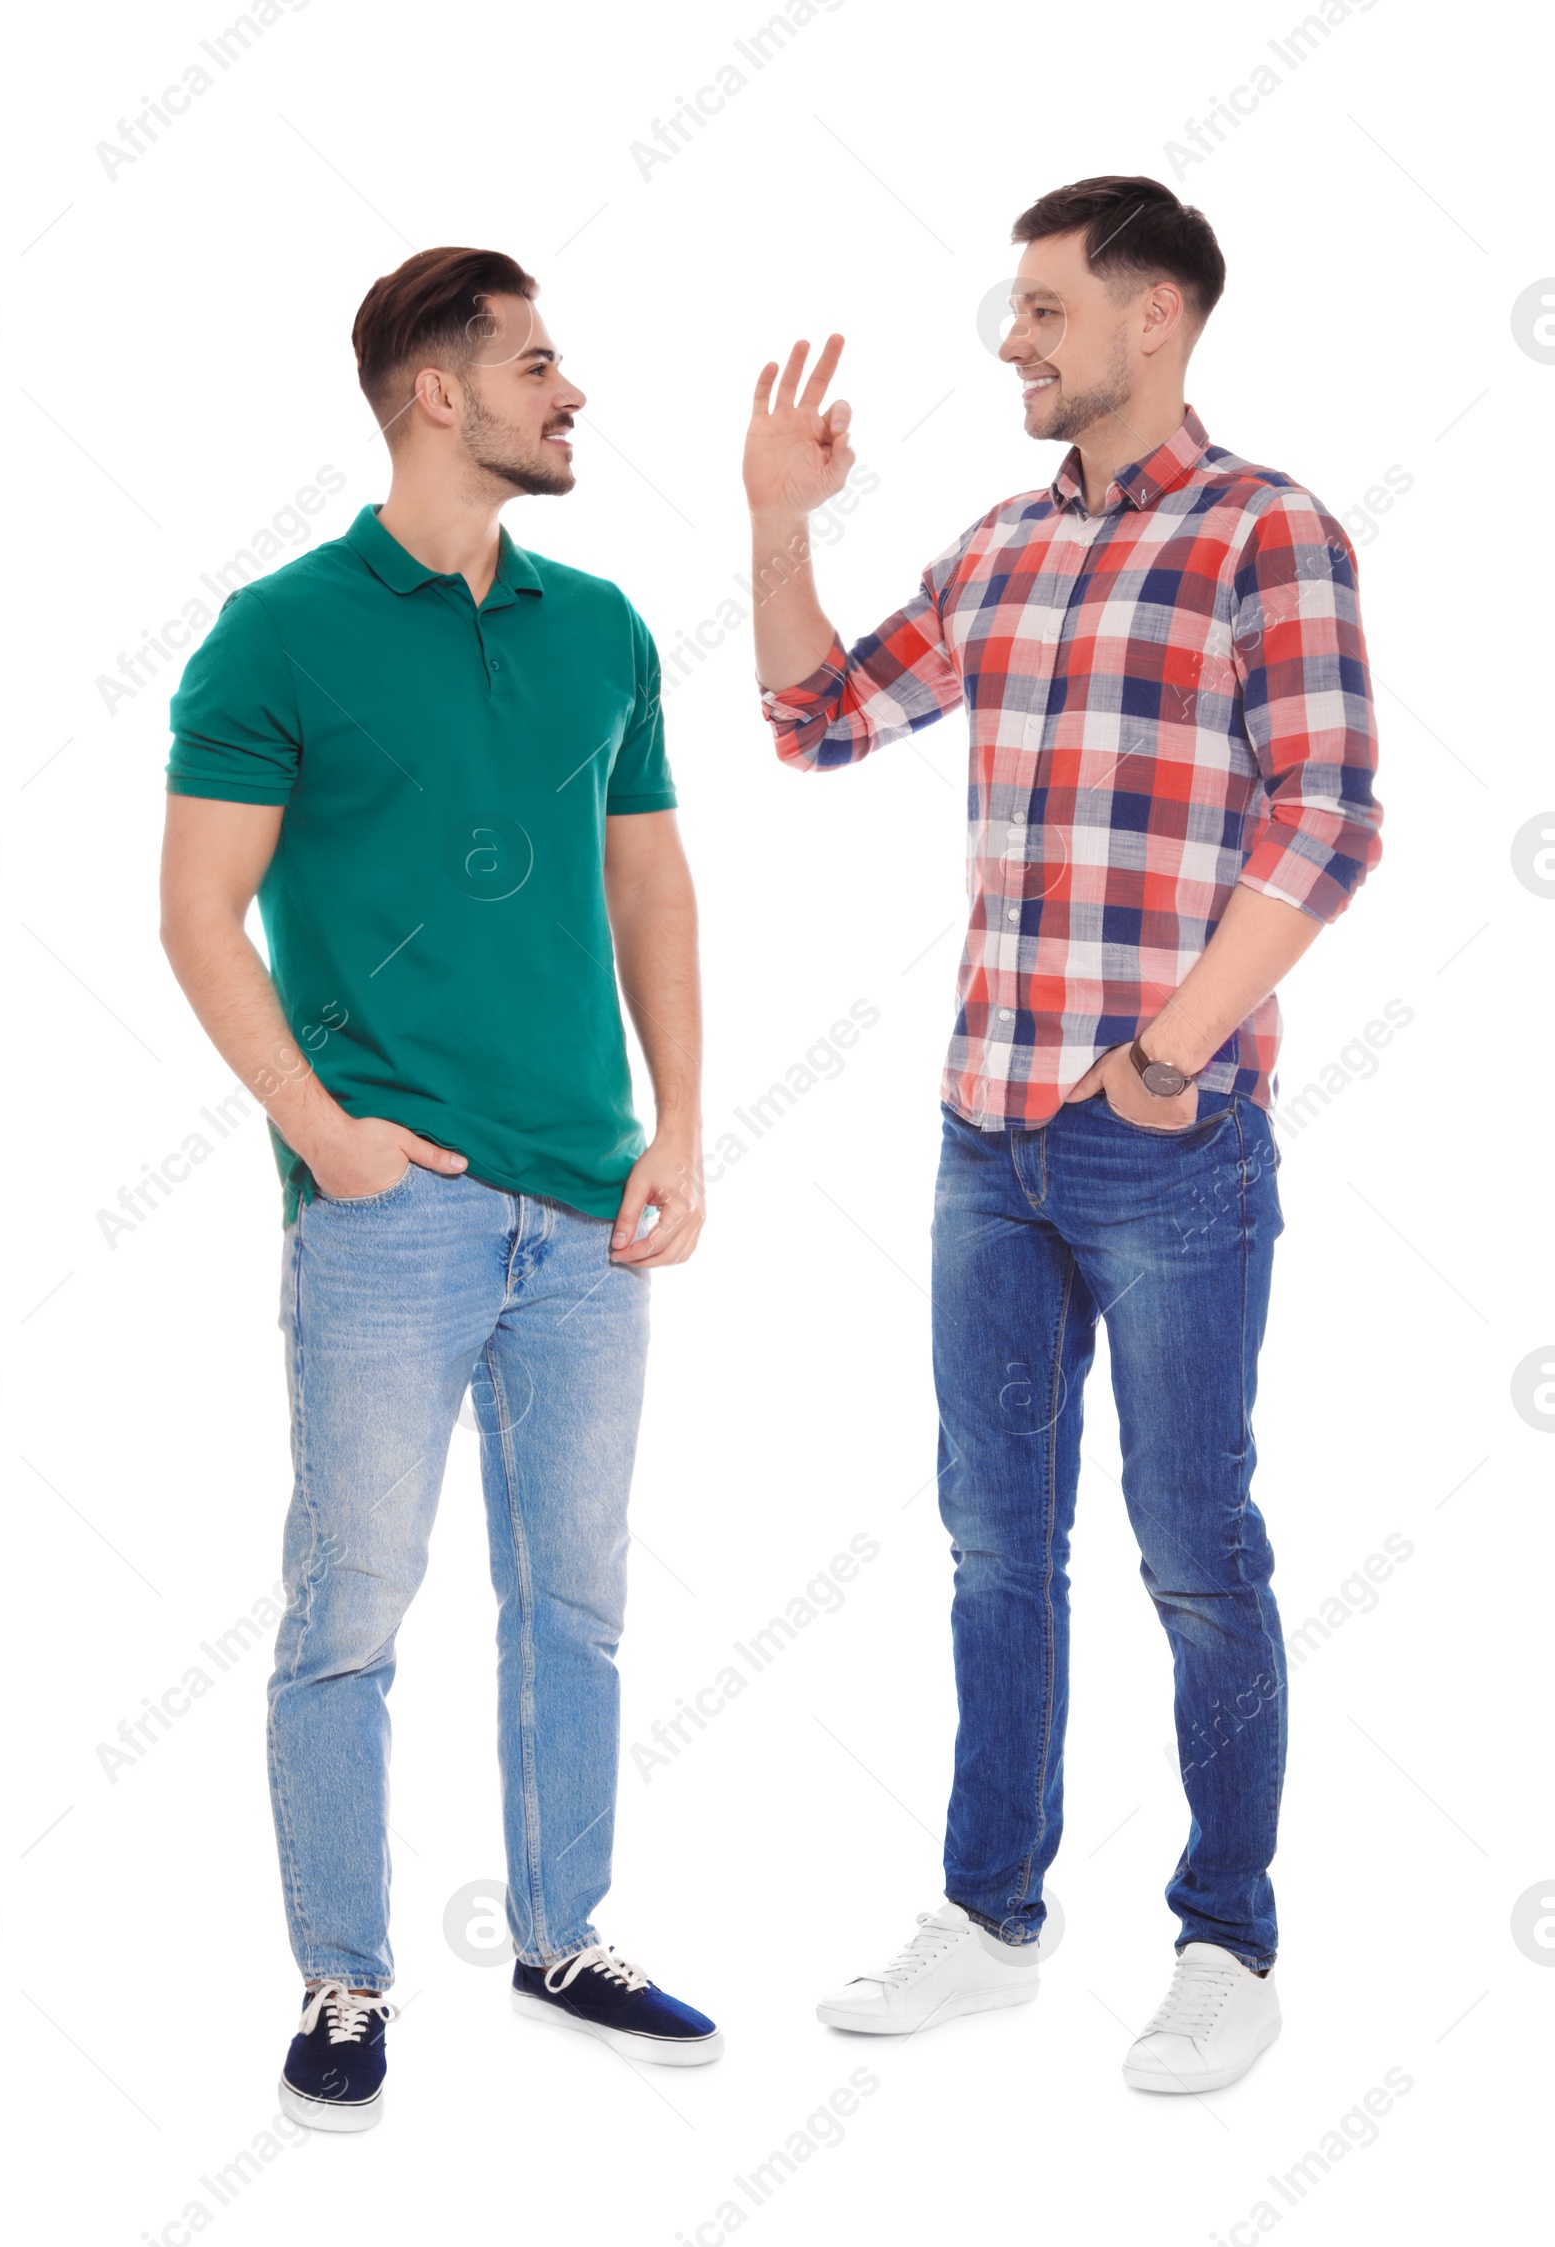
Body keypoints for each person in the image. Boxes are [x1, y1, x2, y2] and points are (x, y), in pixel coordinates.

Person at [744, 176, 1381, 2093]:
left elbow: (1329, 824)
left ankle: (1227, 1939)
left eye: (1042, 309)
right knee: (992, 1550)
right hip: (984, 1141)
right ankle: (991, 1920)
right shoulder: (1004, 550)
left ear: (1155, 320)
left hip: (1167, 1147)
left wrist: (1170, 1058)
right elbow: (817, 720)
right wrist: (781, 522)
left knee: (1196, 1550)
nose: (1008, 341)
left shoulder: (1270, 533)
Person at [159, 247, 721, 2132]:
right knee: (353, 1603)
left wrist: (684, 1121)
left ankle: (566, 1937)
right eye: (540, 367)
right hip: (386, 1206)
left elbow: (649, 882)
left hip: (587, 1205)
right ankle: (347, 1973)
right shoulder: (277, 631)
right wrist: (324, 1136)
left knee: (579, 1599)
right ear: (435, 395)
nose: (573, 398)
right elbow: (195, 913)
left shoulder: (605, 628)